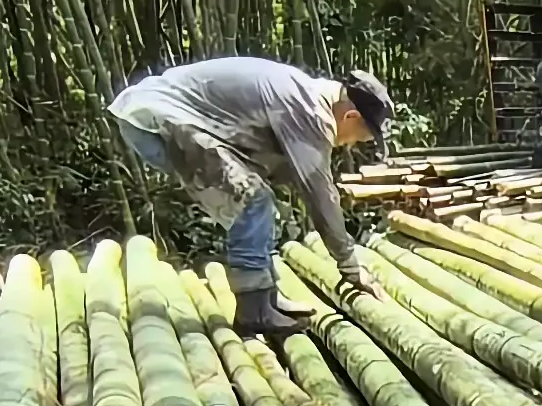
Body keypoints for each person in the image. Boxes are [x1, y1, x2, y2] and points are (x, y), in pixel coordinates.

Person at [109, 56, 395, 336]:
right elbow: (320, 196)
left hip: (158, 113)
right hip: (156, 120)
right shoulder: (309, 111)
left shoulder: (305, 96)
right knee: (252, 202)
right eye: (358, 137)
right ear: (351, 116)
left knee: (258, 197)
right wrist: (350, 267)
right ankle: (253, 310)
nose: (350, 144)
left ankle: (266, 297)